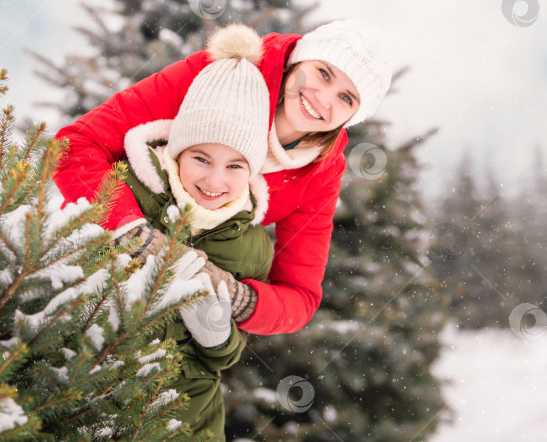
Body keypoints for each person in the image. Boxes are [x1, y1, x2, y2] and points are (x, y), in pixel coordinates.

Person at [53, 18, 392, 337]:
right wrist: (130, 230)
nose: (323, 98)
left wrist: (237, 298)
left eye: (346, 98)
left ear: (353, 116)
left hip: (172, 314)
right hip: (92, 264)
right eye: (323, 73)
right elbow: (74, 145)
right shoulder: (218, 74)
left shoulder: (321, 169)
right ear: (299, 60)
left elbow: (300, 296)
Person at [112, 23, 273, 440]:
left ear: (252, 171)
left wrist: (217, 336)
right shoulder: (130, 192)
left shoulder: (253, 246)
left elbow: (225, 357)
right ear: (177, 149)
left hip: (186, 419)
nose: (215, 180)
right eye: (201, 158)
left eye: (235, 166)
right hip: (99, 396)